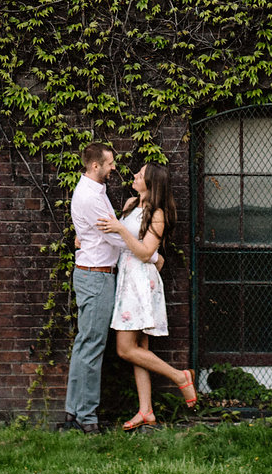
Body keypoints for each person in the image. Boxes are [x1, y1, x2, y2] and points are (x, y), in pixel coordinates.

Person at [99, 161, 198, 429]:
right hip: (127, 279)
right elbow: (126, 245)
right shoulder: (132, 204)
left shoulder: (157, 214)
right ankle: (146, 410)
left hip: (141, 283)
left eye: (140, 174)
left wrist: (120, 230)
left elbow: (144, 252)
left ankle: (179, 377)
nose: (134, 175)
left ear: (151, 183)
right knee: (139, 349)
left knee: (125, 349)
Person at [62, 140, 121, 432]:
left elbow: (106, 228)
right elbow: (114, 237)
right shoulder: (91, 197)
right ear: (95, 165)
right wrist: (148, 249)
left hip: (91, 273)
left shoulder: (94, 191)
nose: (114, 167)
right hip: (97, 276)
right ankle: (86, 418)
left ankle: (74, 413)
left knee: (85, 343)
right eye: (109, 163)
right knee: (93, 345)